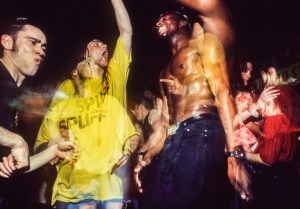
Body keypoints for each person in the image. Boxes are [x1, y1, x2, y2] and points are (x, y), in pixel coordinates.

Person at [133, 0, 253, 209]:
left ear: (182, 22)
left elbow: (222, 91)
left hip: (202, 130)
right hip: (173, 141)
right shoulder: (163, 73)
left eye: (166, 16)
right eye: (157, 20)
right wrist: (149, 156)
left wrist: (233, 154)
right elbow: (165, 124)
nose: (159, 21)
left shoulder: (202, 45)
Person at [34, 1, 139, 208]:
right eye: (97, 44)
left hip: (109, 183)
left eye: (105, 44)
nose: (105, 46)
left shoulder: (114, 74)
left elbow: (126, 32)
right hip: (73, 183)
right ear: (85, 55)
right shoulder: (67, 87)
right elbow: (47, 131)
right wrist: (56, 144)